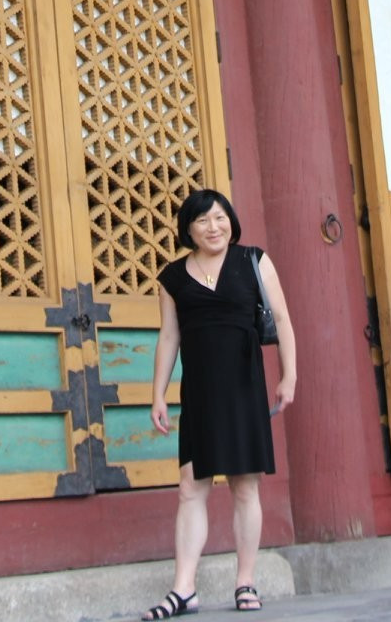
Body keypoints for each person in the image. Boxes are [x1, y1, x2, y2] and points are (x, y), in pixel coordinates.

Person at [142, 189, 295, 617]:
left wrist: (289, 375)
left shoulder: (253, 261)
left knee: (245, 487)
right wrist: (158, 392)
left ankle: (246, 582)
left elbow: (281, 319)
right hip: (200, 394)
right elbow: (169, 336)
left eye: (220, 217)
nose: (214, 227)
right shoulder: (172, 278)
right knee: (191, 489)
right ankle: (183, 589)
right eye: (204, 220)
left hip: (244, 387)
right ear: (188, 229)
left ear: (232, 221)